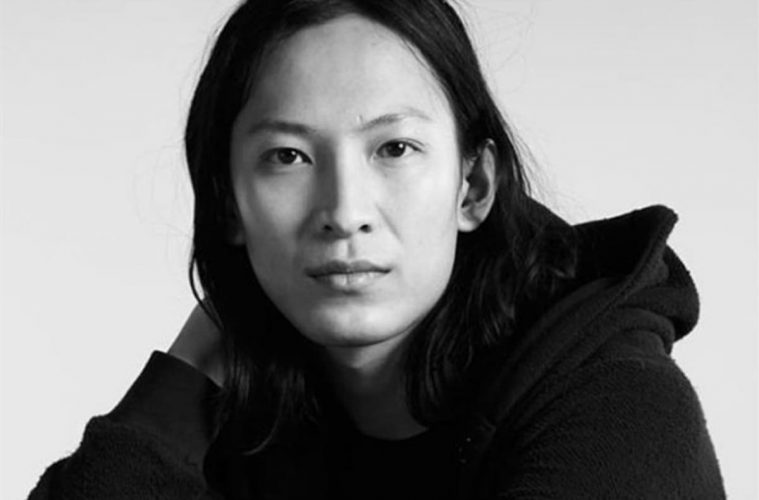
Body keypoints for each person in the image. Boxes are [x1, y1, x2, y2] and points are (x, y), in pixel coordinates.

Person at [29, 0, 726, 498]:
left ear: (473, 186)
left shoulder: (614, 405)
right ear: (227, 205)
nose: (344, 213)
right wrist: (186, 373)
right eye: (288, 156)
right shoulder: (246, 428)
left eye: (394, 148)